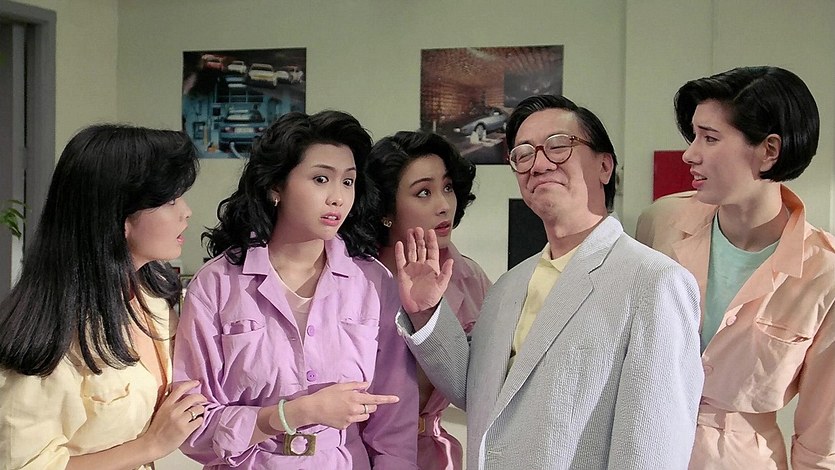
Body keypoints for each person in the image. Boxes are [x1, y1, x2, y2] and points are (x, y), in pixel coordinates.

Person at [393, 95, 705, 469]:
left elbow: (653, 445)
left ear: (604, 166)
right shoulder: (508, 287)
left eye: (558, 146)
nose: (538, 164)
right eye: (523, 154)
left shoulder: (653, 281)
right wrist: (427, 312)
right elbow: (476, 393)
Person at [173, 110, 419, 469]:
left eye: (348, 182)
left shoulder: (373, 282)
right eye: (321, 179)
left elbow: (395, 422)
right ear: (276, 186)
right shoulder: (217, 284)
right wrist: (292, 414)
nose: (338, 197)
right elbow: (192, 424)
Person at [636, 66, 835, 469]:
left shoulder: (824, 273)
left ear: (769, 151)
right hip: (642, 446)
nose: (690, 154)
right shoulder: (661, 222)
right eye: (694, 136)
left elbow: (821, 437)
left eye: (709, 138)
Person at [0, 124, 203, 470]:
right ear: (119, 216)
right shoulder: (51, 336)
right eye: (170, 200)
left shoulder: (152, 297)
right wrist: (150, 445)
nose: (186, 211)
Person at [366, 131, 492, 470]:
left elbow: (485, 384)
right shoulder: (353, 279)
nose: (444, 205)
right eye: (424, 192)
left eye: (448, 187)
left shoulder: (469, 278)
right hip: (356, 452)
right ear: (386, 209)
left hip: (435, 457)